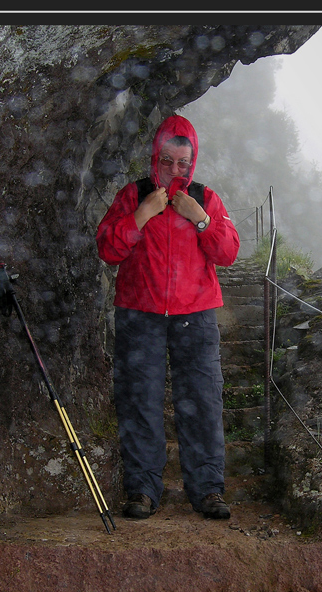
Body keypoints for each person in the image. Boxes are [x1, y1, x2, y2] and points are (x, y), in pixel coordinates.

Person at [95, 115, 240, 520]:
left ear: (192, 163)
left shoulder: (205, 198)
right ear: (154, 158)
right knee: (139, 401)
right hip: (140, 315)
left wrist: (201, 218)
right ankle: (142, 489)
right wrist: (142, 215)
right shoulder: (134, 196)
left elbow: (228, 252)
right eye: (166, 161)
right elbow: (108, 248)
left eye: (182, 162)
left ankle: (208, 490)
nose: (174, 170)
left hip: (195, 316)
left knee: (202, 402)